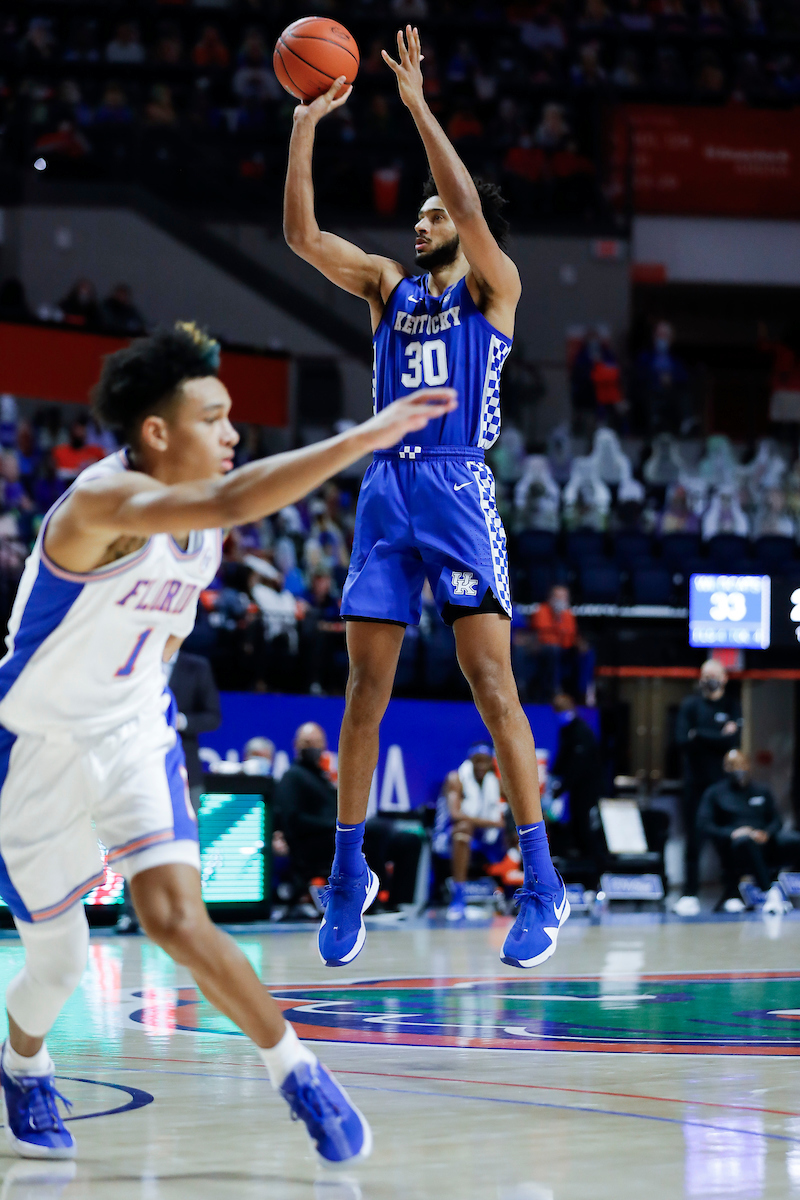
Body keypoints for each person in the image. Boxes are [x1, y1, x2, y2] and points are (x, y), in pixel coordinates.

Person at [0, 320, 454, 1162]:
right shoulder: (103, 502)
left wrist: (144, 725)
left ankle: (298, 1070)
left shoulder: (201, 535)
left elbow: (167, 635)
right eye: (215, 419)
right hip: (36, 744)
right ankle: (22, 1063)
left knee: (176, 917)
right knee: (58, 965)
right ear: (158, 433)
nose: (234, 434)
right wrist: (370, 434)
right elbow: (231, 496)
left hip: (132, 729)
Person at [284, 26, 568, 973]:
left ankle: (541, 881)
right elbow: (300, 236)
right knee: (365, 693)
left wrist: (416, 107)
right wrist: (304, 129)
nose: (417, 224)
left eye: (433, 214)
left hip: (456, 485)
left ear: (464, 220)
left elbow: (467, 210)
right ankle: (350, 871)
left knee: (494, 688)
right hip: (385, 493)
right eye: (415, 215)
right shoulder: (388, 289)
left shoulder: (496, 287)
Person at [115, 646, 221, 935]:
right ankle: (131, 913)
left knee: (186, 843)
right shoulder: (136, 659)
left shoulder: (196, 665)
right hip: (140, 765)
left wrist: (181, 721)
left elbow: (213, 716)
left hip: (184, 767)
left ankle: (188, 913)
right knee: (136, 836)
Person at [276, 722, 421, 911]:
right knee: (372, 832)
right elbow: (293, 821)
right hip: (316, 844)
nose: (313, 747)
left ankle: (398, 901)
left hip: (337, 834)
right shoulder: (292, 777)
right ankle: (373, 902)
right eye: (307, 742)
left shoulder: (323, 777)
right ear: (296, 746)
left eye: (317, 742)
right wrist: (334, 826)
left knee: (408, 840)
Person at [674, 659, 742, 917]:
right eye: (705, 675)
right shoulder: (690, 705)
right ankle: (690, 894)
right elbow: (682, 740)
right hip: (695, 783)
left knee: (728, 839)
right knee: (694, 839)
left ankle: (732, 893)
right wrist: (718, 736)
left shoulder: (731, 704)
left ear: (724, 678)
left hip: (723, 785)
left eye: (715, 675)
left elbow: (733, 741)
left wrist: (699, 735)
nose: (710, 679)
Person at [698, 750, 800, 914]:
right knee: (746, 842)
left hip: (765, 842)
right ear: (725, 767)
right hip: (736, 846)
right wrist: (732, 833)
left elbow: (776, 820)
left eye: (740, 764)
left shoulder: (761, 791)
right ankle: (770, 893)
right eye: (732, 765)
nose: (737, 769)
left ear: (748, 765)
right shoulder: (715, 793)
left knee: (795, 840)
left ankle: (788, 887)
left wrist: (766, 833)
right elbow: (705, 824)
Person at [434, 742, 505, 920]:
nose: (481, 765)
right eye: (477, 761)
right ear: (470, 761)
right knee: (463, 830)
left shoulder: (495, 781)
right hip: (447, 836)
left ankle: (518, 893)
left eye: (485, 761)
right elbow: (456, 815)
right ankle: (458, 898)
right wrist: (492, 822)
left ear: (491, 762)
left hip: (483, 835)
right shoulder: (456, 778)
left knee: (520, 830)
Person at [549, 693, 601, 862]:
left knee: (584, 826)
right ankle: (576, 862)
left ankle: (594, 869)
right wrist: (553, 778)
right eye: (557, 710)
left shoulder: (582, 731)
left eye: (562, 709)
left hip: (587, 788)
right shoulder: (566, 730)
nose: (560, 713)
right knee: (570, 824)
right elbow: (563, 757)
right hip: (573, 789)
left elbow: (579, 765)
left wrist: (562, 787)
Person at [520, 584, 593, 702]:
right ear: (550, 598)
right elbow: (542, 635)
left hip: (565, 649)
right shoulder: (541, 611)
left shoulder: (568, 614)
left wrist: (579, 644)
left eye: (564, 597)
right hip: (545, 650)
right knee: (554, 650)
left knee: (587, 652)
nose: (561, 600)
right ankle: (554, 691)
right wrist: (557, 620)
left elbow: (571, 635)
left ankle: (583, 692)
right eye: (558, 597)